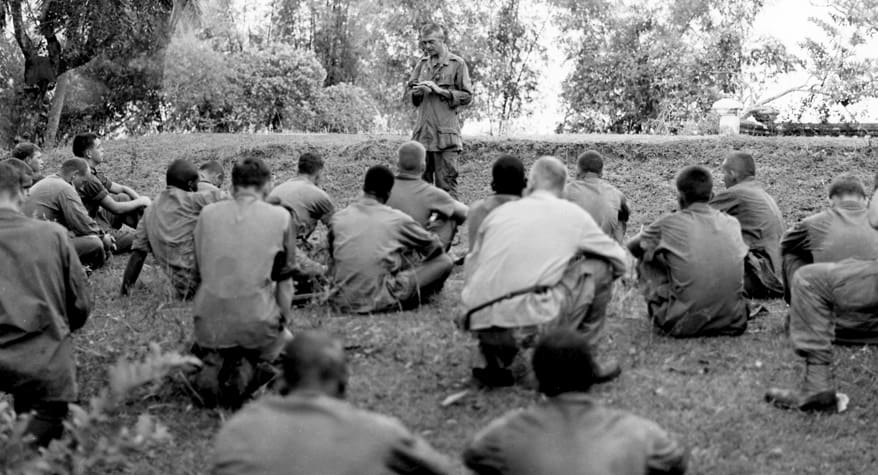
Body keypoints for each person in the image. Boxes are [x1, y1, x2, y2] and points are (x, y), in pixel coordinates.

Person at [462, 156, 627, 388]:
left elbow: (472, 265)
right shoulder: (572, 214)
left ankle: (495, 354)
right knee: (600, 267)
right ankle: (583, 361)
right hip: (528, 318)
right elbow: (619, 260)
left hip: (478, 316)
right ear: (563, 188)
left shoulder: (500, 213)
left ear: (530, 184)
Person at [211, 330, 452, 475]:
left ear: (282, 380)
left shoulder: (236, 431)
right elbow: (443, 470)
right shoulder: (379, 432)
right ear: (342, 380)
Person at [463, 330, 688, 475]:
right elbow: (675, 461)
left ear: (538, 379)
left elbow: (474, 455)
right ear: (592, 375)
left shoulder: (508, 431)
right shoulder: (638, 431)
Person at [188, 156, 296, 409]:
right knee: (294, 352)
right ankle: (258, 371)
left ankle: (218, 363)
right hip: (257, 322)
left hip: (207, 323)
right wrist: (282, 324)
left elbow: (200, 273)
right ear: (268, 186)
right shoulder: (281, 217)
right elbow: (286, 284)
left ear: (231, 187)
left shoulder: (206, 214)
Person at [0, 161, 92, 447]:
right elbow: (80, 306)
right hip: (47, 362)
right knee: (52, 439)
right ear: (22, 194)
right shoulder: (53, 235)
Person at [765, 180, 878, 412]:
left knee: (807, 278)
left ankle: (817, 385)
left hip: (839, 325)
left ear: (830, 200)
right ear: (864, 198)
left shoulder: (815, 223)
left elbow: (785, 246)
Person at [627, 166, 749, 337]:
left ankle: (664, 311)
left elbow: (633, 247)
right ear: (711, 195)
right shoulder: (732, 223)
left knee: (647, 259)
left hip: (684, 324)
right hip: (734, 320)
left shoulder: (669, 223)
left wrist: (649, 236)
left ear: (680, 196)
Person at [329, 165, 454, 314]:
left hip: (339, 300)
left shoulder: (339, 218)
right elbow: (435, 247)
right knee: (444, 261)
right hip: (377, 300)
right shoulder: (397, 219)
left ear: (363, 187)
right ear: (388, 193)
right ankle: (424, 298)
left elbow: (333, 256)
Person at [120, 159, 227, 299]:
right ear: (190, 185)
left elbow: (137, 256)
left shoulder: (150, 212)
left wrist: (124, 292)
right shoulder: (193, 200)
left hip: (185, 289)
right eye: (196, 185)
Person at [779, 174, 878, 303]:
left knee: (792, 253)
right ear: (866, 200)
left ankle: (799, 303)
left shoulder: (812, 223)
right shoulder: (875, 223)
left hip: (829, 305)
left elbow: (784, 244)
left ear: (830, 200)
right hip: (872, 304)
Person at [404, 22, 473, 198]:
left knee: (446, 189)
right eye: (424, 43)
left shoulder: (457, 64)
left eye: (431, 42)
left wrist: (439, 90)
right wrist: (417, 92)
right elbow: (411, 95)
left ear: (442, 41)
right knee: (422, 191)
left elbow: (467, 96)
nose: (427, 47)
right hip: (423, 137)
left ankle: (449, 226)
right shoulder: (422, 64)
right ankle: (424, 226)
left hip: (446, 138)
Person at [709, 151, 785, 299]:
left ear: (732, 174)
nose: (722, 180)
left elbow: (695, 218)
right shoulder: (760, 193)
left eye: (723, 174)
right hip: (777, 274)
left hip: (760, 277)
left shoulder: (736, 193)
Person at [23, 158, 114, 270]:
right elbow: (83, 224)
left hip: (26, 245)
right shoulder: (65, 188)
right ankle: (92, 265)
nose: (82, 187)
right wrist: (103, 236)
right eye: (83, 182)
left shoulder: (49, 181)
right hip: (40, 250)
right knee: (95, 243)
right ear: (74, 175)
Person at [267, 152, 335, 296]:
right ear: (319, 173)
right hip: (288, 248)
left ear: (298, 169)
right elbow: (338, 230)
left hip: (264, 249)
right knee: (325, 271)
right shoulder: (319, 195)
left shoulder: (278, 189)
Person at [73, 133, 151, 253]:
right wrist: (141, 201)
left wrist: (141, 201)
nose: (103, 149)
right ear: (89, 153)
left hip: (98, 217)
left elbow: (121, 189)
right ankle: (152, 237)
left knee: (123, 197)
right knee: (138, 239)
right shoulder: (88, 179)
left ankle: (153, 228)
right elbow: (116, 209)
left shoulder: (92, 172)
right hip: (92, 228)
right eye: (99, 147)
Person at [387, 141, 468, 250]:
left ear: (397, 164)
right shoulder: (431, 193)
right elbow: (464, 213)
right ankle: (438, 256)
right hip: (415, 254)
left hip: (384, 249)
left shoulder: (382, 188)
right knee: (450, 218)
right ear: (423, 166)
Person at [564, 150, 630, 243]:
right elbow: (626, 215)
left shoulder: (566, 191)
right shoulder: (616, 194)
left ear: (578, 171)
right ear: (601, 173)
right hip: (604, 252)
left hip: (575, 251)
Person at [467, 155, 527, 248]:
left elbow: (474, 252)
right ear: (524, 183)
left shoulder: (477, 210)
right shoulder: (530, 210)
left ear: (493, 183)